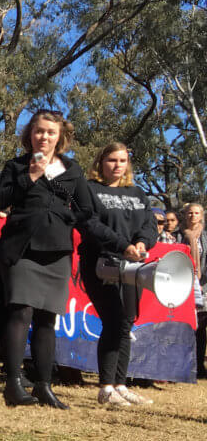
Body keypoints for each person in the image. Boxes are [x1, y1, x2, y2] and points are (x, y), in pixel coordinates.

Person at [0, 109, 117, 410]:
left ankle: (43, 385)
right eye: (39, 131)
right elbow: (0, 200)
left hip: (56, 251)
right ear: (30, 134)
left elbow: (87, 210)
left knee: (47, 319)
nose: (44, 137)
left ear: (59, 136)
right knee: (20, 313)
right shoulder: (16, 166)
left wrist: (65, 216)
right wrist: (32, 176)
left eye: (50, 132)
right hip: (22, 249)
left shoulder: (71, 170)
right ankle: (12, 383)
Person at [82, 142, 158, 407]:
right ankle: (105, 387)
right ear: (101, 162)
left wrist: (141, 243)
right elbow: (90, 224)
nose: (117, 165)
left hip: (132, 266)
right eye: (112, 160)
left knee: (125, 323)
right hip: (100, 263)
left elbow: (149, 225)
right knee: (113, 320)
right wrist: (121, 245)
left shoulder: (137, 193)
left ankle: (120, 384)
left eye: (122, 161)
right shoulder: (90, 190)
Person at [179, 203, 207, 378]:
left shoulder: (205, 237)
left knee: (201, 327)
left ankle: (199, 365)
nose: (193, 216)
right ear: (185, 215)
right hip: (181, 286)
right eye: (190, 213)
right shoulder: (177, 236)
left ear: (201, 216)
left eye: (196, 213)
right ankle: (182, 365)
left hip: (203, 287)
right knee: (183, 327)